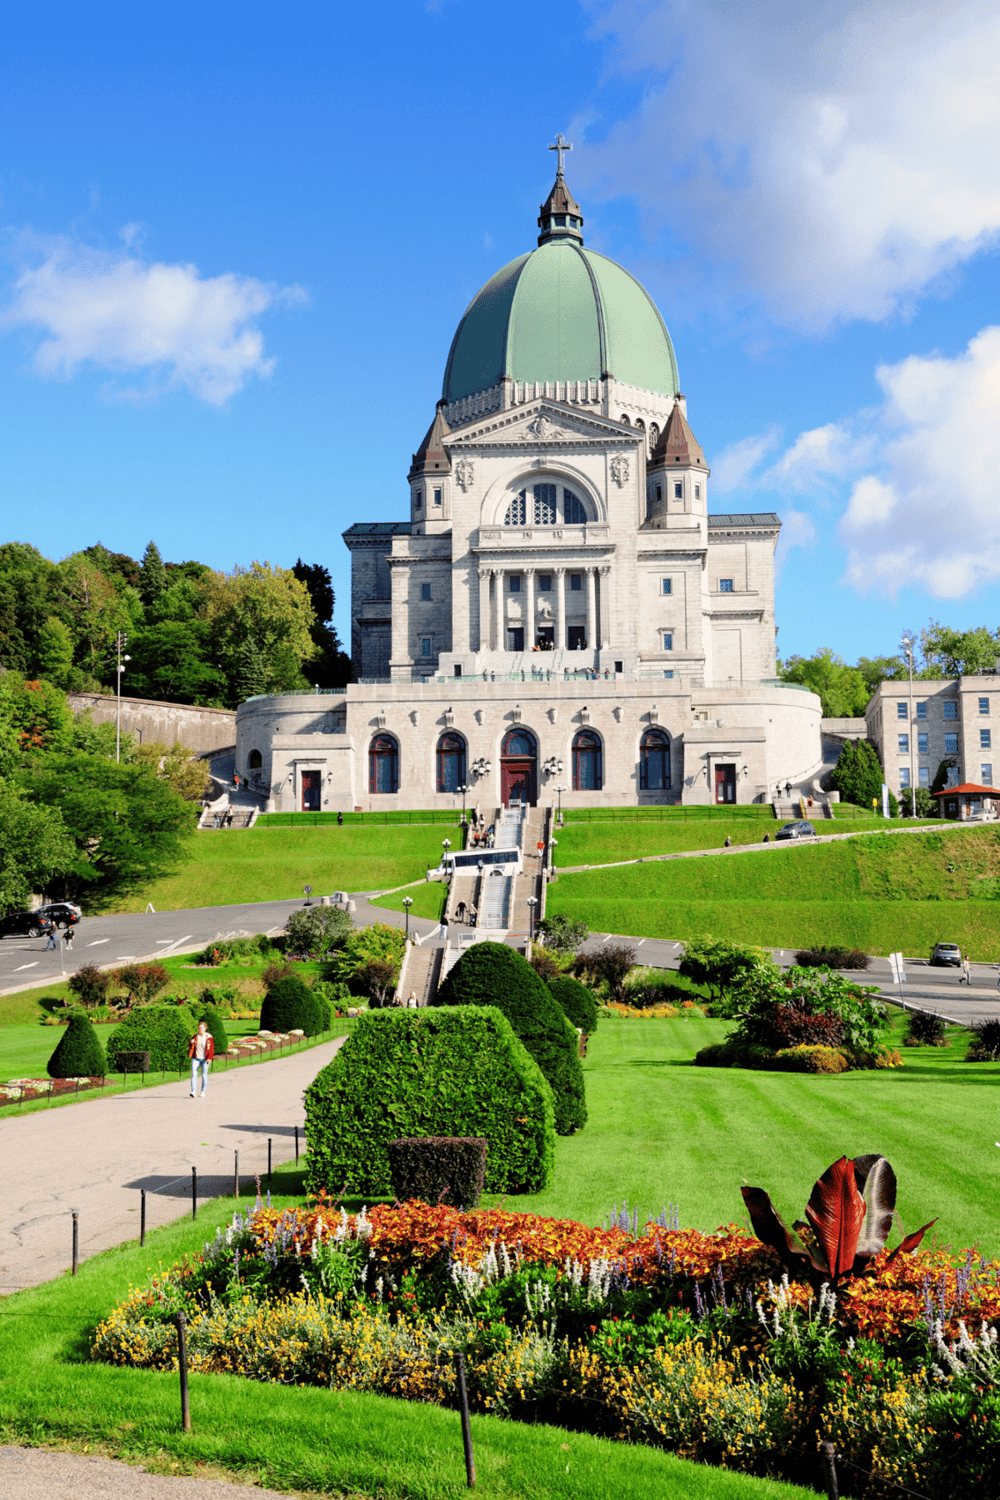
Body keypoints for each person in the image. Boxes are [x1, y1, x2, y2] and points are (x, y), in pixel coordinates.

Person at [188, 1020, 215, 1097]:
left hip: (205, 1059)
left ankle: (203, 1091)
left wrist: (210, 1058)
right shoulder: (195, 1036)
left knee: (204, 1075)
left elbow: (212, 1049)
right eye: (199, 1028)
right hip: (196, 1058)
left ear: (205, 1028)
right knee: (194, 1074)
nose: (200, 1029)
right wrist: (191, 1042)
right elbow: (190, 1045)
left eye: (202, 1028)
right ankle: (193, 1091)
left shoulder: (209, 1037)